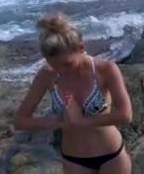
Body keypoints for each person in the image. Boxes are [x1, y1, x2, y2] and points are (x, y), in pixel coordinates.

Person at [14, 13, 133, 174]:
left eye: (67, 64)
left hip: (111, 156)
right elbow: (21, 121)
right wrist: (59, 123)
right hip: (74, 159)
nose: (61, 71)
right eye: (53, 65)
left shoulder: (105, 70)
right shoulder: (47, 75)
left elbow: (125, 115)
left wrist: (81, 122)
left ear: (81, 48)